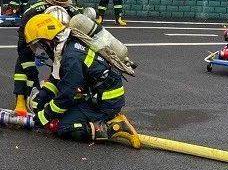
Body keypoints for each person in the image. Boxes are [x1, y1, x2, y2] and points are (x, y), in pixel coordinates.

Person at [22, 12, 140, 147]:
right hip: (97, 95)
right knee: (59, 112)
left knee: (65, 127)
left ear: (47, 40)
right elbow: (57, 79)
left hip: (105, 103)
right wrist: (42, 97)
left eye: (39, 45)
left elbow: (67, 94)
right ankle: (100, 117)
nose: (40, 50)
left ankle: (115, 127)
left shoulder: (71, 57)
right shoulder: (68, 44)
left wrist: (45, 116)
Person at [10, 0, 75, 116]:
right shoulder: (74, 11)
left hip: (62, 44)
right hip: (45, 42)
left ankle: (53, 100)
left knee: (66, 70)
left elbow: (23, 43)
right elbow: (24, 45)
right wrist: (31, 70)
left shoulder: (33, 11)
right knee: (25, 64)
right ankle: (22, 100)